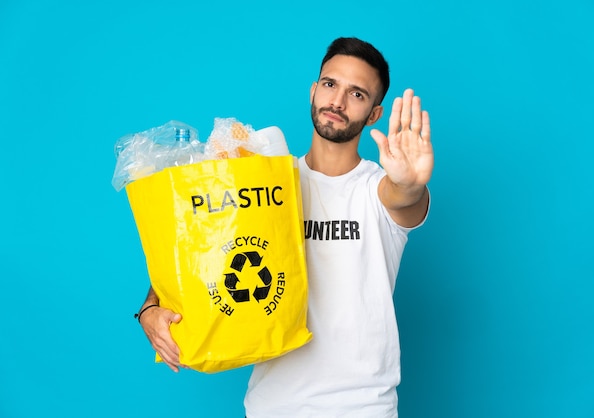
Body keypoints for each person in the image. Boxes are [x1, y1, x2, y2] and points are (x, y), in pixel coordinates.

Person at [136, 36, 433, 417]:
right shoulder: (265, 183)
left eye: (357, 94)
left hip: (363, 407)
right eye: (330, 85)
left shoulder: (377, 189)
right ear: (314, 90)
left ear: (374, 114)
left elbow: (405, 198)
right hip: (273, 405)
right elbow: (201, 254)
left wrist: (410, 182)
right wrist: (150, 308)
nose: (337, 102)